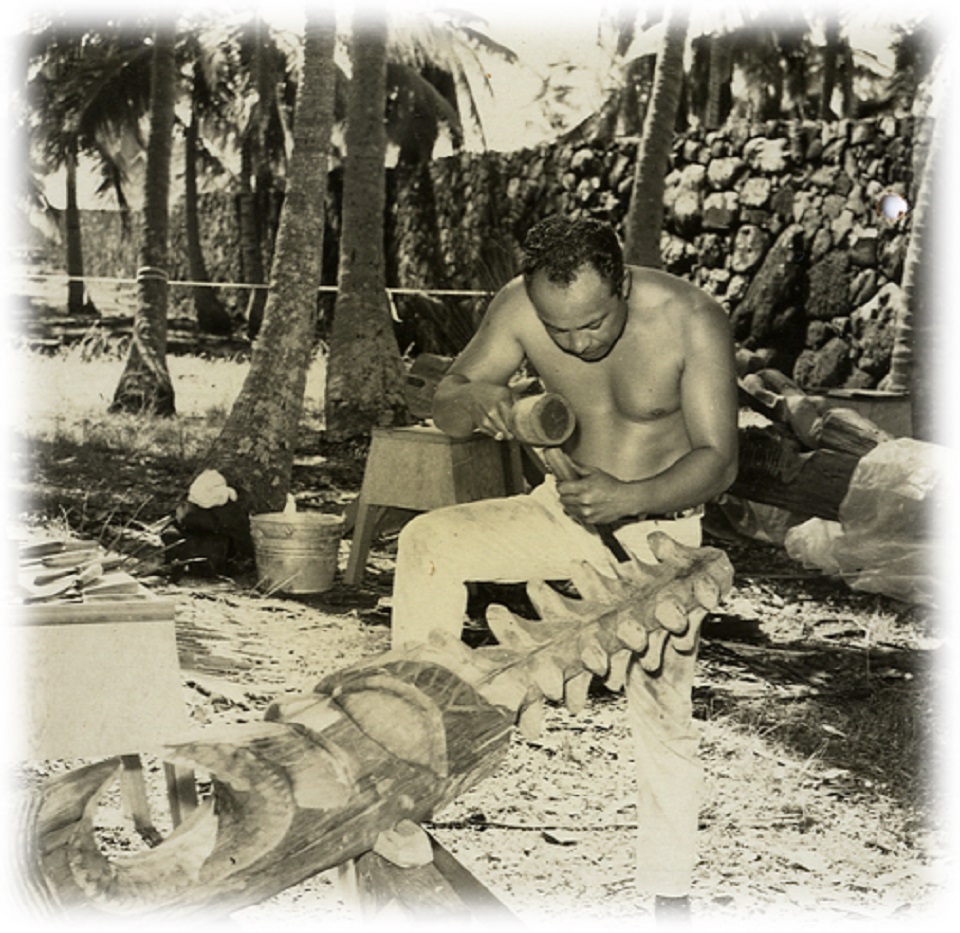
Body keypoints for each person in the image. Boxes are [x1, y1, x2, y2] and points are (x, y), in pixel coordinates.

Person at [390, 215, 738, 916]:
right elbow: (447, 403)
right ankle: (403, 768)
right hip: (563, 512)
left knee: (662, 713)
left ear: (624, 283)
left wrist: (629, 496)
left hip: (660, 535)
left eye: (593, 324)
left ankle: (670, 898)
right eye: (560, 331)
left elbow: (719, 461)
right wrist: (476, 402)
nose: (577, 343)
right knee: (428, 541)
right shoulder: (519, 306)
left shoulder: (692, 318)